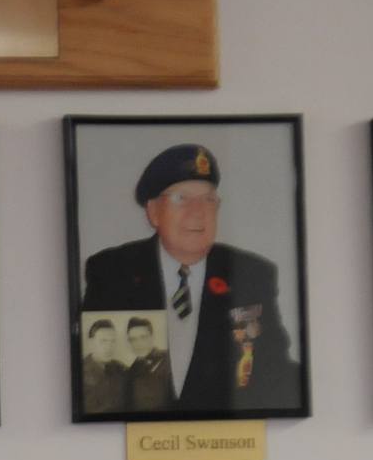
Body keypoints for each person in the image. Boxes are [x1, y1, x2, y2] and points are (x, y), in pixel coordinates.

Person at [78, 143, 298, 413]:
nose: (198, 211)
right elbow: (92, 369)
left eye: (208, 199)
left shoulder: (251, 273)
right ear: (153, 212)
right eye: (181, 199)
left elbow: (276, 371)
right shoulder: (113, 271)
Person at [123, 316, 174, 412]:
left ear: (152, 337)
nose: (139, 344)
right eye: (133, 339)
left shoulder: (169, 359)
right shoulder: (131, 371)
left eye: (143, 337)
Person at [80, 317, 127, 414]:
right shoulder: (79, 372)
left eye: (112, 341)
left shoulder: (121, 369)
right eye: (103, 341)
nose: (109, 347)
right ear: (91, 343)